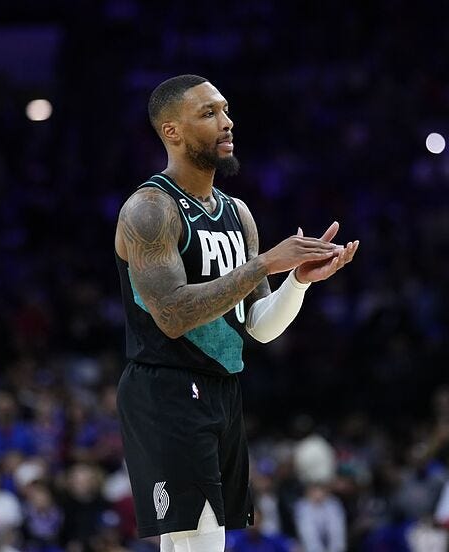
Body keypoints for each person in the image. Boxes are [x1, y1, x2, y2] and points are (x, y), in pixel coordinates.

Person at [113, 74, 358, 552]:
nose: (227, 122)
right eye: (209, 113)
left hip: (222, 387)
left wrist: (297, 281)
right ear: (172, 131)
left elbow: (259, 327)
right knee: (202, 538)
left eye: (225, 110)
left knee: (193, 542)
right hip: (166, 386)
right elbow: (172, 315)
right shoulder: (150, 209)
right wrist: (264, 263)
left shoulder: (237, 213)